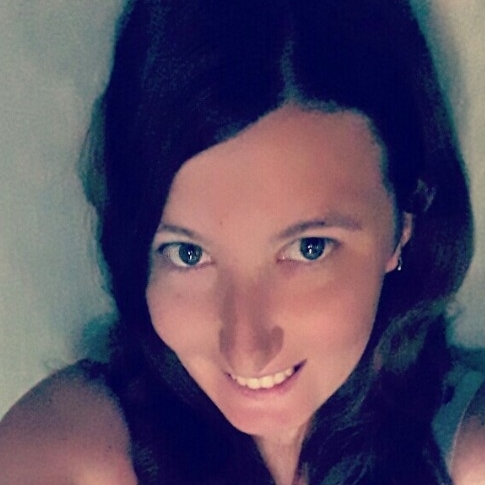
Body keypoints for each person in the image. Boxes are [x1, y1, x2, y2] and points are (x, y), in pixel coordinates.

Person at [0, 0, 484, 483]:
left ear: (404, 226)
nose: (246, 349)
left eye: (309, 248)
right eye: (189, 254)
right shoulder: (67, 458)